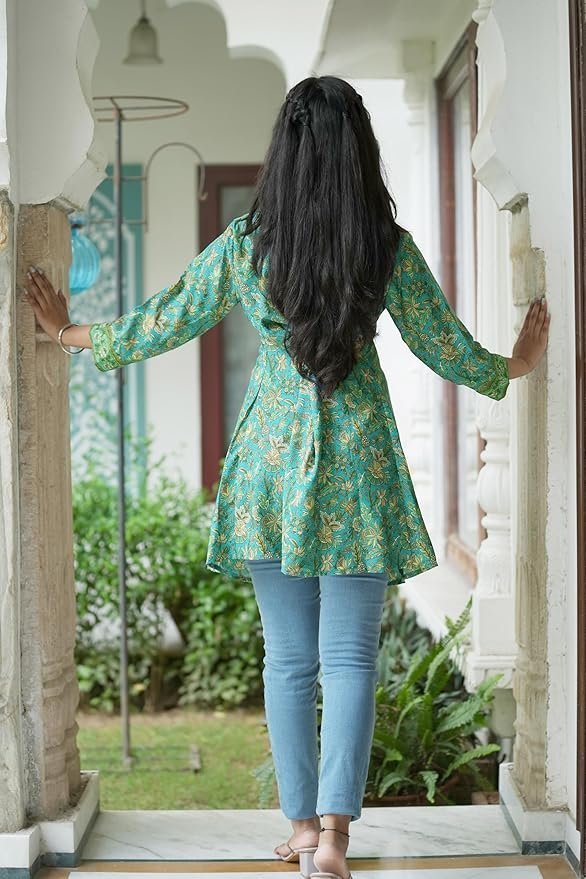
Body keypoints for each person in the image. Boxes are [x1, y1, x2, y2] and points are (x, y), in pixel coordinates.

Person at [23, 75, 549, 879]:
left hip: (271, 468)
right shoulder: (385, 246)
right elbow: (441, 343)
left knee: (289, 660)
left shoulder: (247, 244)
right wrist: (511, 364)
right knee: (349, 660)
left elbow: (167, 317)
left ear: (288, 155)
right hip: (359, 467)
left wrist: (68, 332)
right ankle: (334, 839)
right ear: (358, 153)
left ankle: (302, 829)